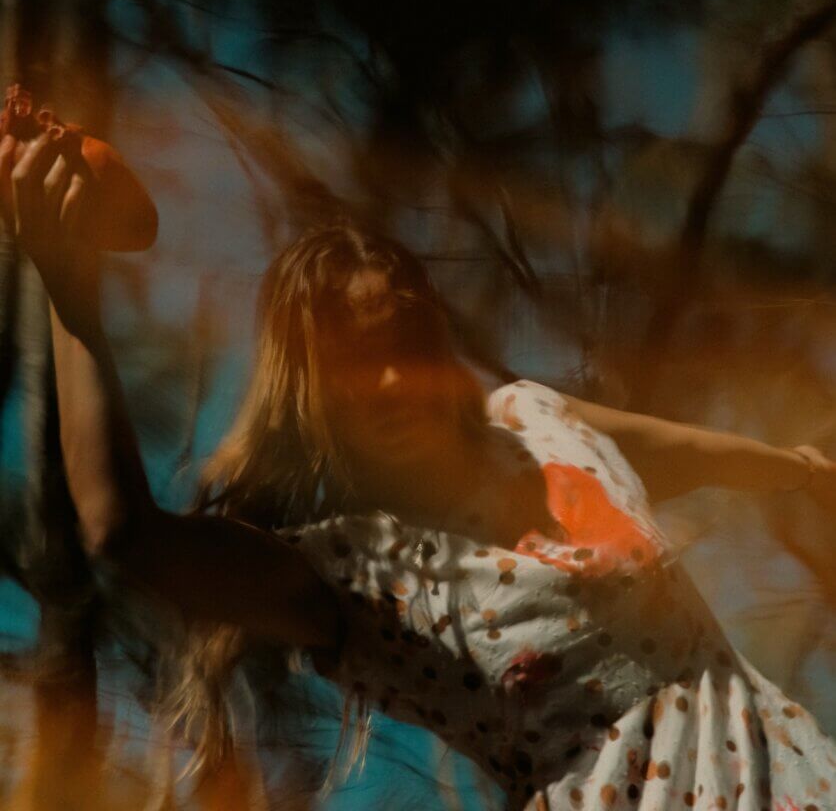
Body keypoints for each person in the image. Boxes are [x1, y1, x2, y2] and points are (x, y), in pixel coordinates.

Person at [1, 128, 835, 811]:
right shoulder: (356, 582)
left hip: (797, 778)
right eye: (358, 363)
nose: (394, 378)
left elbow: (669, 452)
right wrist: (73, 287)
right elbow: (124, 531)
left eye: (403, 337)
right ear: (317, 397)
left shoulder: (535, 420)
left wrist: (800, 467)